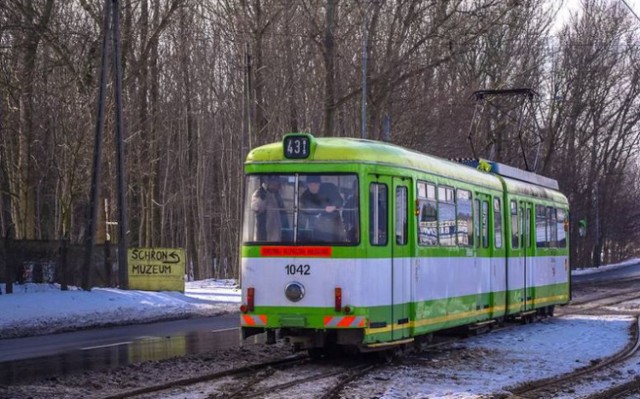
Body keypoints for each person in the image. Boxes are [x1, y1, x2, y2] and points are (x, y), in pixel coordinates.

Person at [299, 176, 344, 242]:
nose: (313, 187)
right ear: (307, 185)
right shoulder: (305, 196)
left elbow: (340, 201)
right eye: (310, 185)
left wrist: (334, 206)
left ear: (319, 184)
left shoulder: (330, 188)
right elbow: (303, 209)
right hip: (317, 227)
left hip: (333, 226)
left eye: (315, 184)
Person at [251, 176, 290, 242]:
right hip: (264, 238)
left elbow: (283, 213)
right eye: (275, 182)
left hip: (276, 237)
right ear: (269, 182)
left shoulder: (276, 195)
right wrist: (262, 196)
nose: (277, 185)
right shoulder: (260, 193)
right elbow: (256, 207)